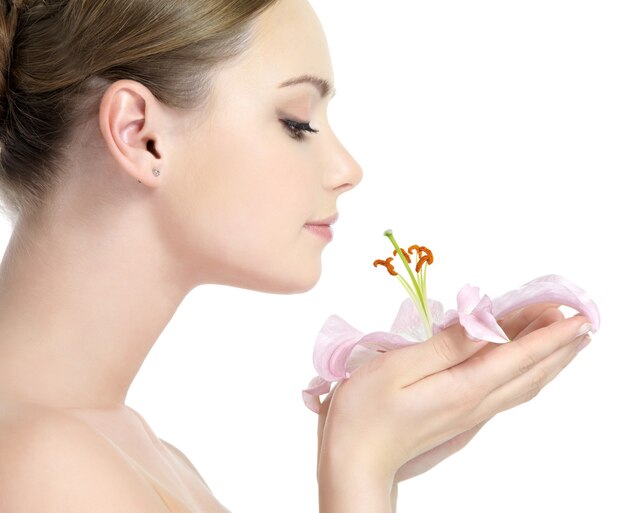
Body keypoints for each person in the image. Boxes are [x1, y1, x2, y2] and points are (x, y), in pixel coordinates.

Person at [0, 0, 593, 511]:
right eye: (298, 122)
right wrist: (356, 470)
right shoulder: (42, 464)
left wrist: (380, 465)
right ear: (140, 135)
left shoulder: (136, 447)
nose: (347, 170)